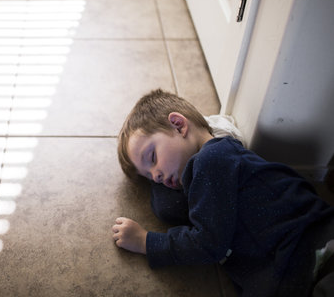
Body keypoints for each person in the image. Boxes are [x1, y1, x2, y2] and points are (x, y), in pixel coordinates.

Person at [111, 89, 334, 297]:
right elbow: (168, 208)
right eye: (149, 178)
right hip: (292, 272)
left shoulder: (213, 159)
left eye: (152, 158)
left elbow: (207, 244)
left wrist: (146, 242)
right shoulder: (203, 175)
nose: (156, 177)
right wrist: (160, 170)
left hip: (311, 245)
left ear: (179, 125)